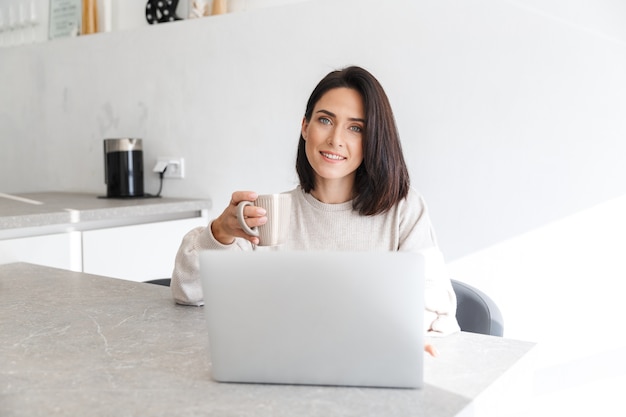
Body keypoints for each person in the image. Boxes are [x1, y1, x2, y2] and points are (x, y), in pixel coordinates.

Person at [171, 66, 460, 348]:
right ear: (305, 127)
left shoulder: (402, 210)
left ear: (373, 140)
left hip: (367, 369)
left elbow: (436, 304)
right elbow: (189, 292)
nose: (336, 139)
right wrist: (220, 232)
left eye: (356, 128)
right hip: (279, 371)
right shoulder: (269, 213)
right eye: (325, 120)